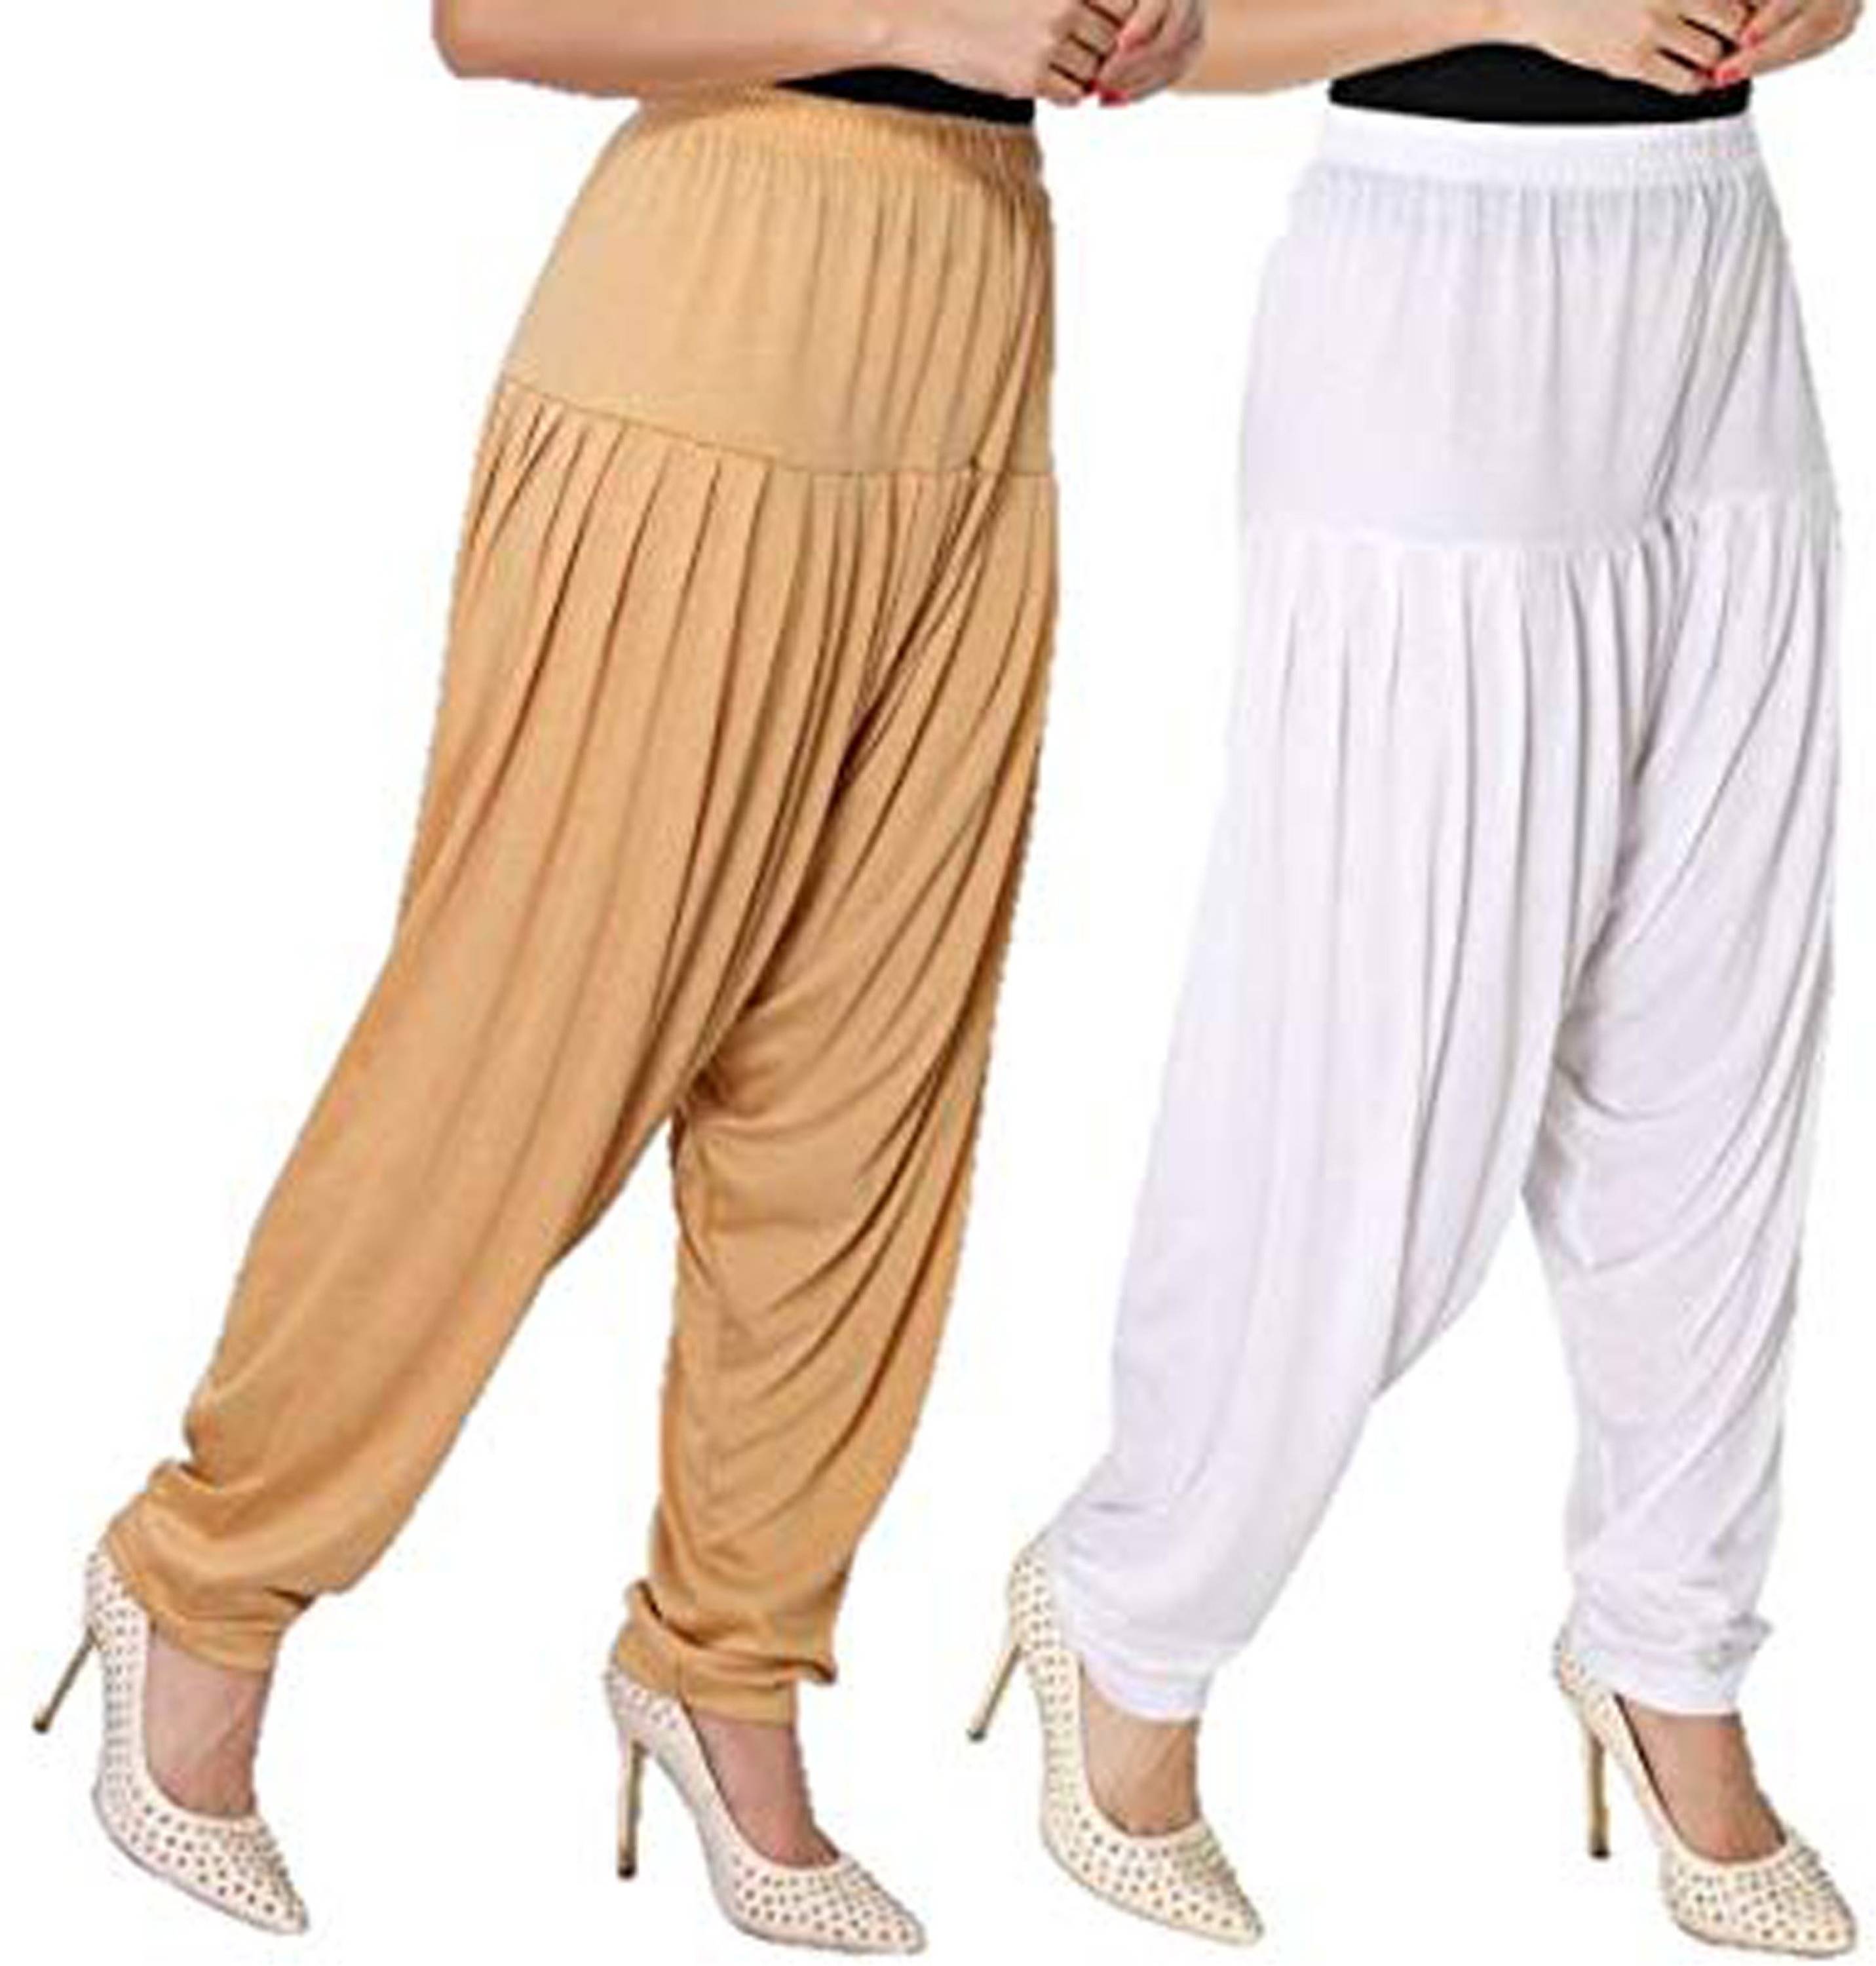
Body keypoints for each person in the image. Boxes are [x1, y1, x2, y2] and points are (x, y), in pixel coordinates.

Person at [32, 0, 1202, 1950]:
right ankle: (203, 1585)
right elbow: (488, 21)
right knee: (527, 1053)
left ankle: (728, 1664)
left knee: (864, 1096)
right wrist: (915, 20)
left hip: (984, 331)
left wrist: (1139, 38)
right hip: (716, 315)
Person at [970, 0, 1863, 1951]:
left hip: (1718, 267)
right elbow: (1152, 39)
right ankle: (1133, 1609)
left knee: (1718, 1050)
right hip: (1442, 292)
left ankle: (1672, 1653)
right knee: (1381, 1067)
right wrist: (1519, 7)